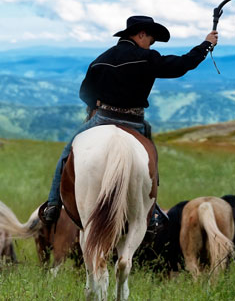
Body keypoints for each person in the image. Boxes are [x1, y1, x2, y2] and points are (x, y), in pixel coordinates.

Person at [40, 15, 219, 229]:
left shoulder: (101, 59)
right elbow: (181, 65)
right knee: (150, 158)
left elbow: (84, 92)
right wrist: (206, 44)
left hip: (101, 119)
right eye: (151, 40)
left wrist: (96, 105)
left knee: (68, 151)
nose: (150, 45)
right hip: (135, 123)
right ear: (141, 34)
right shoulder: (147, 58)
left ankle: (52, 204)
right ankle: (151, 212)